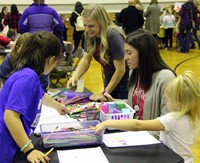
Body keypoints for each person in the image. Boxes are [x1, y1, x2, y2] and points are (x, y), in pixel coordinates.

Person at [95, 71, 200, 163]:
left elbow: (138, 125)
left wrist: (106, 123)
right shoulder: (193, 117)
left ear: (179, 104)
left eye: (167, 100)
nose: (166, 103)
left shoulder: (172, 119)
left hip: (174, 159)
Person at [0, 31, 70, 163]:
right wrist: (29, 150)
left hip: (13, 141)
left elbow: (41, 95)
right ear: (51, 60)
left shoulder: (30, 74)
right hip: (5, 144)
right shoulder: (28, 77)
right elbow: (10, 116)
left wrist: (58, 106)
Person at [101, 29, 176, 138]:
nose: (125, 57)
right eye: (125, 52)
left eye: (129, 53)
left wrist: (137, 135)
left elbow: (168, 123)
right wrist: (115, 102)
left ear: (144, 53)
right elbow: (136, 106)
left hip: (151, 141)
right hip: (135, 135)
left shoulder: (165, 78)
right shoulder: (135, 72)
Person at [67, 4, 129, 101]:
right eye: (85, 25)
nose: (87, 30)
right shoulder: (90, 35)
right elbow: (86, 59)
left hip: (124, 82)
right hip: (109, 77)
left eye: (91, 26)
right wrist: (76, 76)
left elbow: (120, 70)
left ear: (101, 23)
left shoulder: (113, 37)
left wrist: (104, 93)